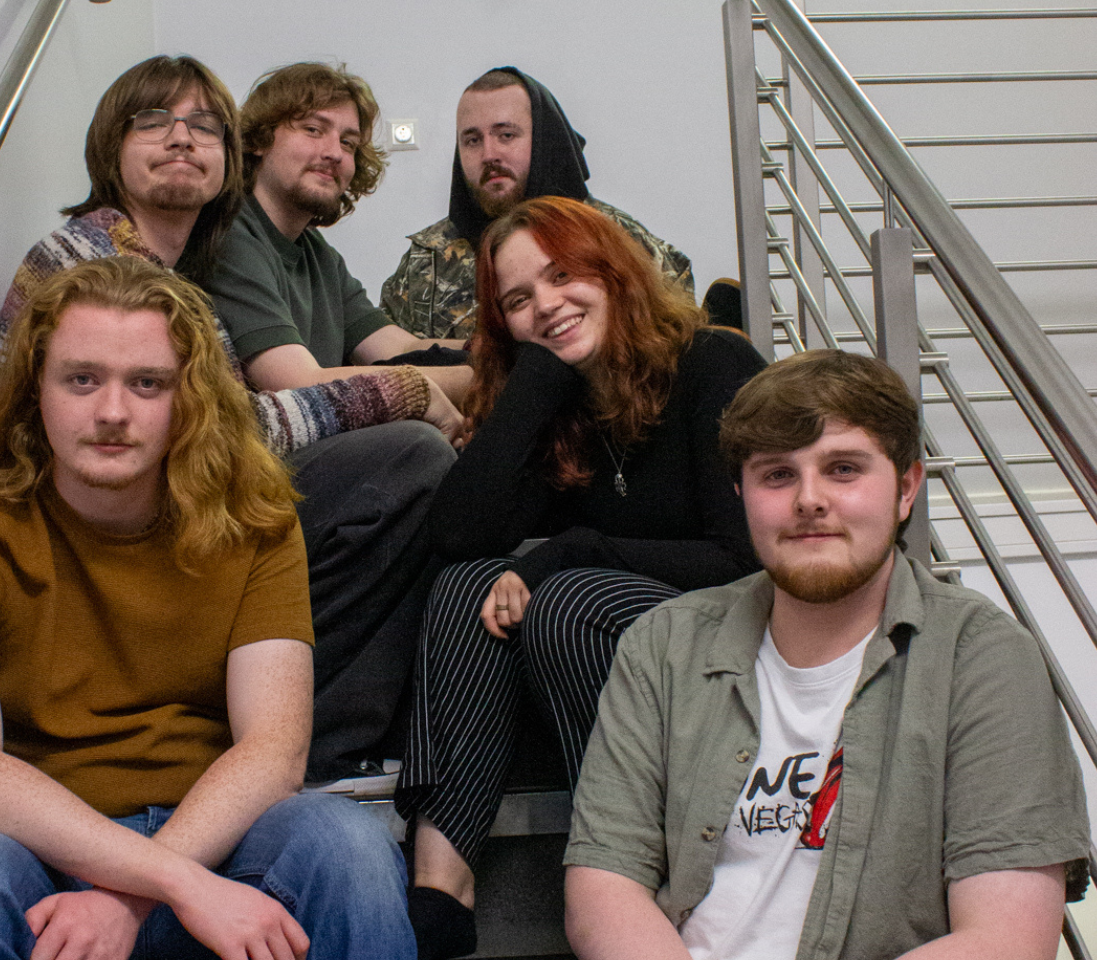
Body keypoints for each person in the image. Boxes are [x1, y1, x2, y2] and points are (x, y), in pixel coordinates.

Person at [0, 257, 415, 960]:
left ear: (188, 398)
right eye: (82, 379)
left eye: (147, 383)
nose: (112, 413)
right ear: (34, 389)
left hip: (218, 842)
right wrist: (171, 884)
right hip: (44, 852)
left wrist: (133, 898)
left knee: (347, 843)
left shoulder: (253, 522)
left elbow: (274, 752)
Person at [0, 55, 458, 784]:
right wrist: (406, 392)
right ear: (111, 146)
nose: (182, 138)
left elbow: (229, 425)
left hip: (167, 504)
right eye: (154, 121)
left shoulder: (177, 279)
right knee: (409, 459)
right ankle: (307, 746)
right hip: (106, 533)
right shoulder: (96, 262)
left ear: (225, 156)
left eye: (204, 126)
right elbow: (229, 430)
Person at [565, 349, 1092, 960]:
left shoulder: (982, 660)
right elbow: (604, 886)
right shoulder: (664, 645)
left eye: (843, 469)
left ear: (906, 488)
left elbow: (1005, 940)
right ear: (741, 494)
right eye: (777, 475)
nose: (809, 500)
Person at [393, 196, 765, 959]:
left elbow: (749, 558)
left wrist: (574, 549)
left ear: (613, 270)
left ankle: (635, 873)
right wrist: (534, 377)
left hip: (739, 633)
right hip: (620, 641)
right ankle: (441, 888)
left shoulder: (712, 363)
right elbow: (459, 535)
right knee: (469, 586)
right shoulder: (564, 407)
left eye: (563, 276)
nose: (546, 304)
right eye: (517, 300)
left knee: (568, 599)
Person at [203, 61, 472, 406]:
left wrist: (493, 351)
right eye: (313, 130)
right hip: (266, 436)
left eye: (348, 143)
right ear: (258, 140)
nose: (334, 153)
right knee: (420, 435)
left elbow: (399, 348)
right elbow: (297, 384)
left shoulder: (316, 252)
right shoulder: (230, 234)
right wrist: (480, 381)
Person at [380, 67, 694, 341]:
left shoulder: (623, 242)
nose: (489, 154)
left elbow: (671, 351)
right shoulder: (425, 262)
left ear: (543, 139)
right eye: (473, 140)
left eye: (506, 135)